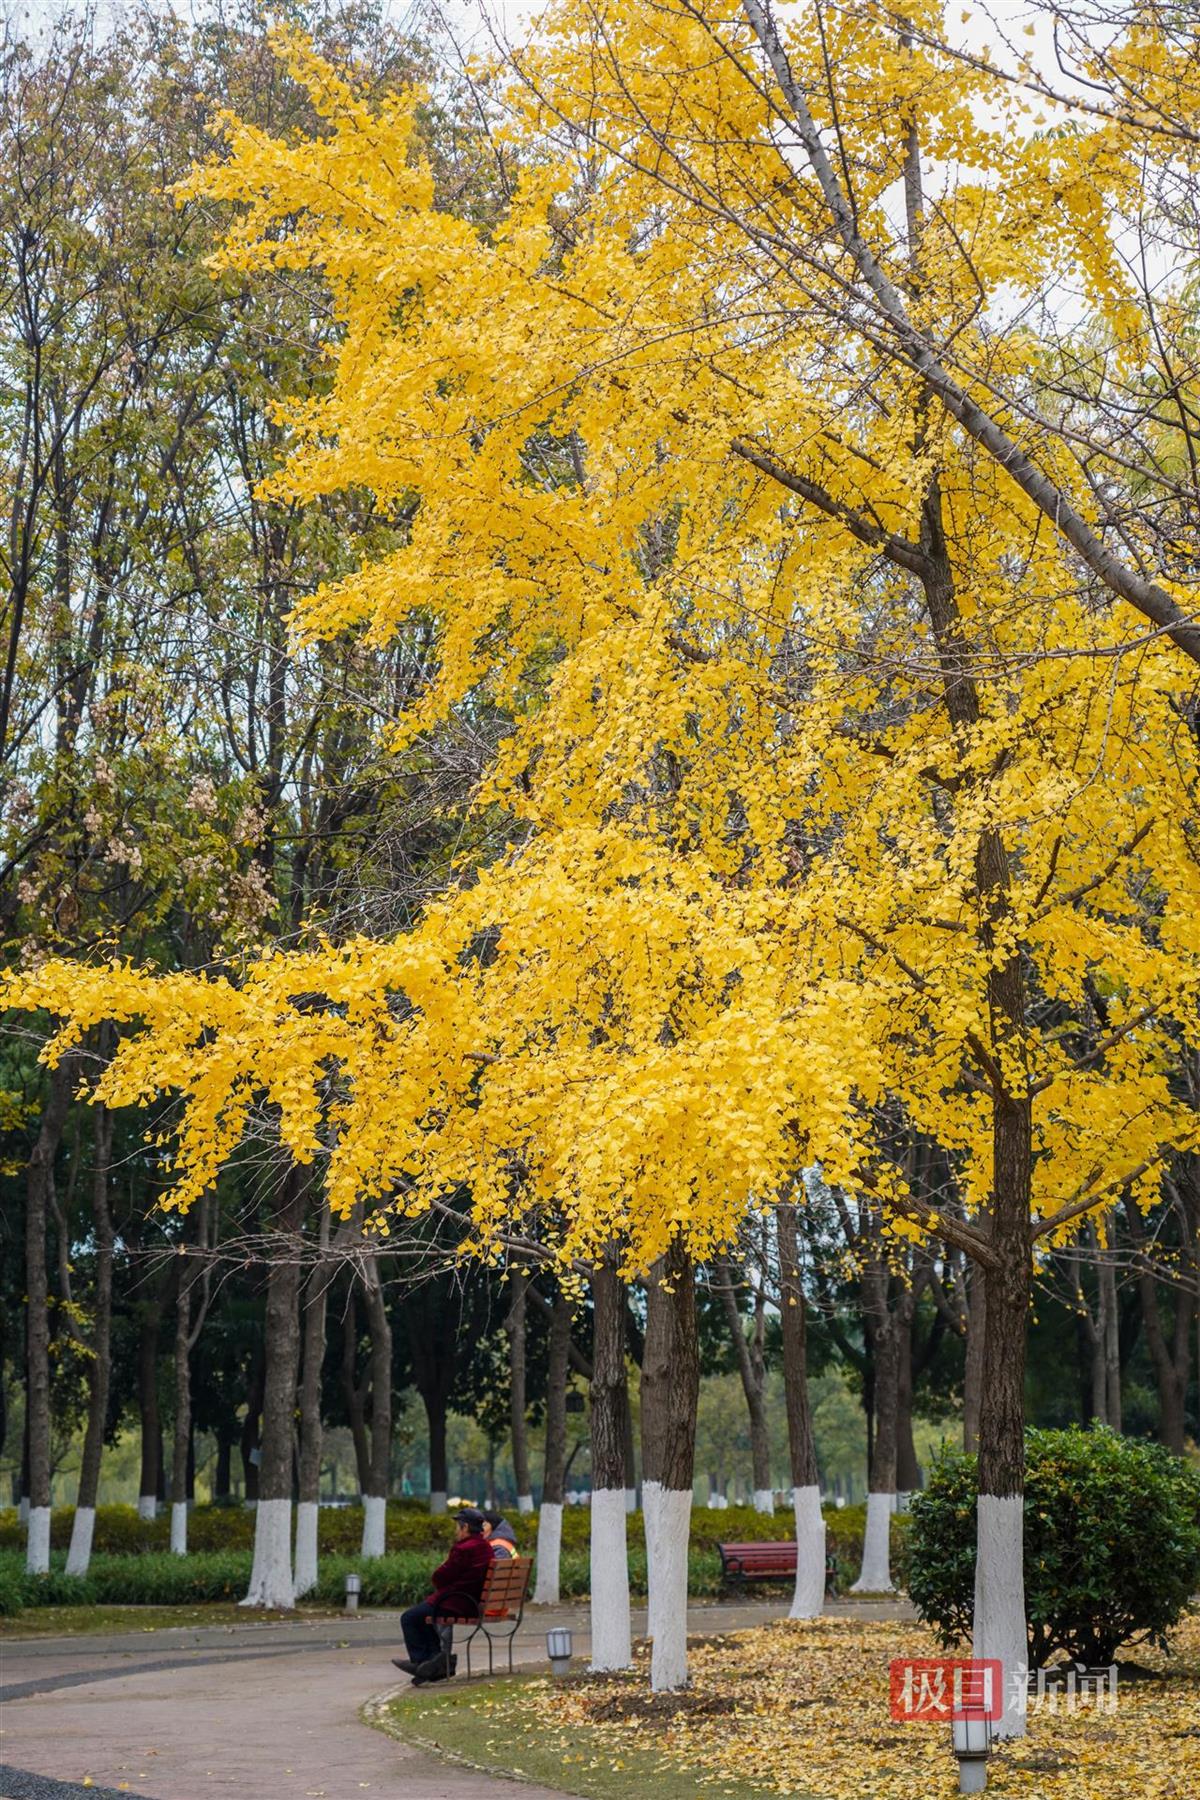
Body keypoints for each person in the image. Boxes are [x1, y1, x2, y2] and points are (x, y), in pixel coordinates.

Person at [392, 1506, 493, 1684]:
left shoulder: (464, 1548)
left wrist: (441, 1572)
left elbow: (439, 1578)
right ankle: (434, 1663)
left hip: (456, 1603)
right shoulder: (485, 1547)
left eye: (458, 1527)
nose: (456, 1531)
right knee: (423, 1615)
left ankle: (422, 1663)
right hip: (471, 1601)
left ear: (466, 1528)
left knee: (409, 1617)